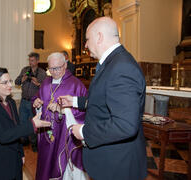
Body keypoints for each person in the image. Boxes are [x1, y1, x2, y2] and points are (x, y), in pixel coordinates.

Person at [59, 17, 147, 180]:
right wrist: (74, 101)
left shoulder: (122, 67)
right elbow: (104, 101)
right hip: (110, 161)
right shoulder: (113, 63)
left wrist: (84, 131)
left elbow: (125, 125)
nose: (85, 45)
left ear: (99, 37)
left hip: (118, 165)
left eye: (87, 39)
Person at [0, 67, 51, 180]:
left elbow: (16, 129)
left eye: (10, 81)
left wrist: (21, 153)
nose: (10, 85)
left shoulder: (11, 102)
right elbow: (3, 135)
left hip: (14, 158)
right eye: (4, 82)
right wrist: (32, 124)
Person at [33, 52, 88, 180]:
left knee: (64, 168)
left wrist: (64, 110)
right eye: (51, 68)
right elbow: (38, 98)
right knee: (46, 164)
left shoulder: (76, 85)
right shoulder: (45, 83)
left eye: (57, 68)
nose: (54, 72)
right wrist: (37, 104)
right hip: (47, 134)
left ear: (65, 65)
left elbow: (84, 112)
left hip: (66, 136)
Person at [15, 52, 47, 151]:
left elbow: (45, 88)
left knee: (33, 123)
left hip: (34, 103)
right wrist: (22, 79)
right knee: (22, 121)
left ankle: (34, 143)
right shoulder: (25, 70)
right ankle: (24, 141)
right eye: (29, 60)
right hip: (24, 101)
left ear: (37, 61)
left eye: (32, 60)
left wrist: (38, 83)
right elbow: (16, 82)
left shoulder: (42, 72)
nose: (30, 62)